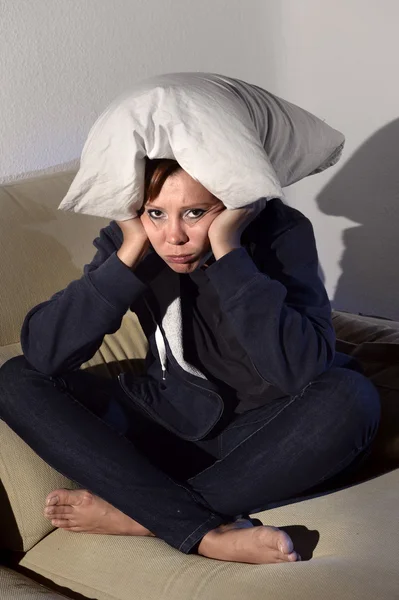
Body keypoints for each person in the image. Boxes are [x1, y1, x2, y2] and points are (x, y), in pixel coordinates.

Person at [0, 158, 380, 565]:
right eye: (156, 213)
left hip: (270, 436)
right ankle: (200, 528)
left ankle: (145, 516)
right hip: (169, 420)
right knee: (15, 379)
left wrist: (229, 250)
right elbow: (44, 352)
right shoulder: (134, 240)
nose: (173, 237)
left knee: (351, 397)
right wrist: (129, 249)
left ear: (234, 203)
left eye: (195, 213)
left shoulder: (281, 232)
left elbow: (299, 368)